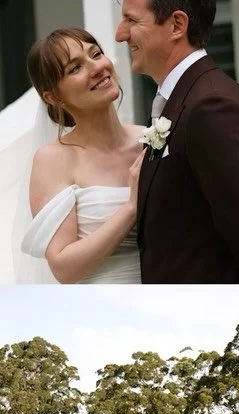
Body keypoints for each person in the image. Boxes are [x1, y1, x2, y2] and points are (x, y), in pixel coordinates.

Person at [116, 0, 239, 283]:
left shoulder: (212, 106)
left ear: (177, 25)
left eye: (131, 21)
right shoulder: (179, 98)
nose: (119, 34)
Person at [19, 28, 145, 284]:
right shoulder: (53, 159)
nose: (96, 67)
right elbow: (64, 268)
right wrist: (131, 208)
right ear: (53, 97)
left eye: (96, 54)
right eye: (75, 68)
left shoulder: (149, 138)